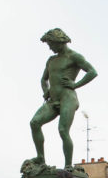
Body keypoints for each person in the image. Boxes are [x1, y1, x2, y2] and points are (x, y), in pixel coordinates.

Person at [27, 28, 97, 169]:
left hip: (67, 98)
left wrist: (75, 84)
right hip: (52, 100)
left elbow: (92, 72)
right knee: (34, 123)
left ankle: (68, 166)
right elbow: (43, 79)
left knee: (63, 130)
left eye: (50, 44)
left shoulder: (74, 57)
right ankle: (41, 158)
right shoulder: (51, 60)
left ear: (59, 42)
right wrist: (45, 91)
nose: (50, 48)